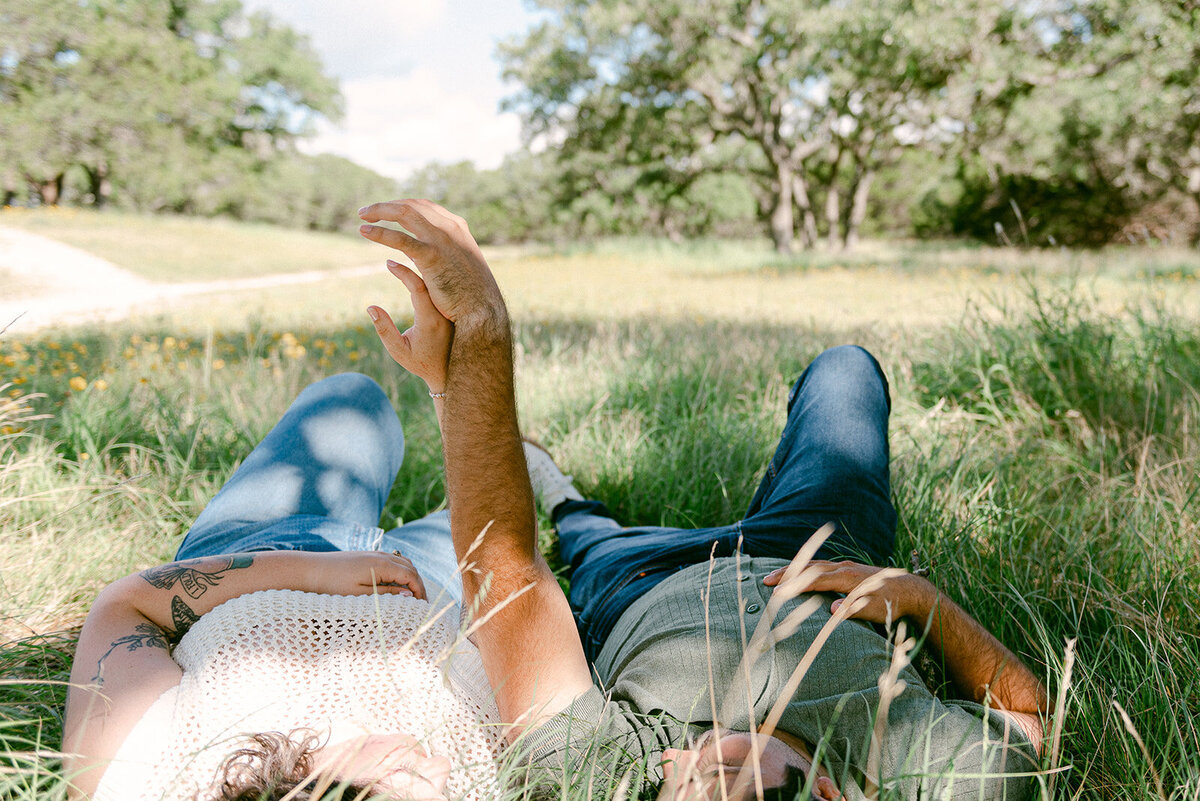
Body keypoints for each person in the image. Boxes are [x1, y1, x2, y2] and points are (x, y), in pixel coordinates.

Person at [353, 200, 1048, 801]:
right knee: (847, 371)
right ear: (831, 792)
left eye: (685, 781)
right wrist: (920, 598)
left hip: (639, 581)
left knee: (588, 534)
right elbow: (1028, 717)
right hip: (816, 547)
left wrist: (478, 335)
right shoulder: (934, 769)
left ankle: (562, 495)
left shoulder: (599, 774)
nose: (692, 764)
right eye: (743, 782)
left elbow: (507, 573)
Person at [62, 245, 507, 799]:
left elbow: (125, 605)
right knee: (508, 500)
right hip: (440, 594)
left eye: (406, 784)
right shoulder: (464, 779)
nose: (439, 772)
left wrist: (313, 571)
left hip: (266, 550)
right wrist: (457, 379)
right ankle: (535, 466)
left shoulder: (145, 780)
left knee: (352, 398)